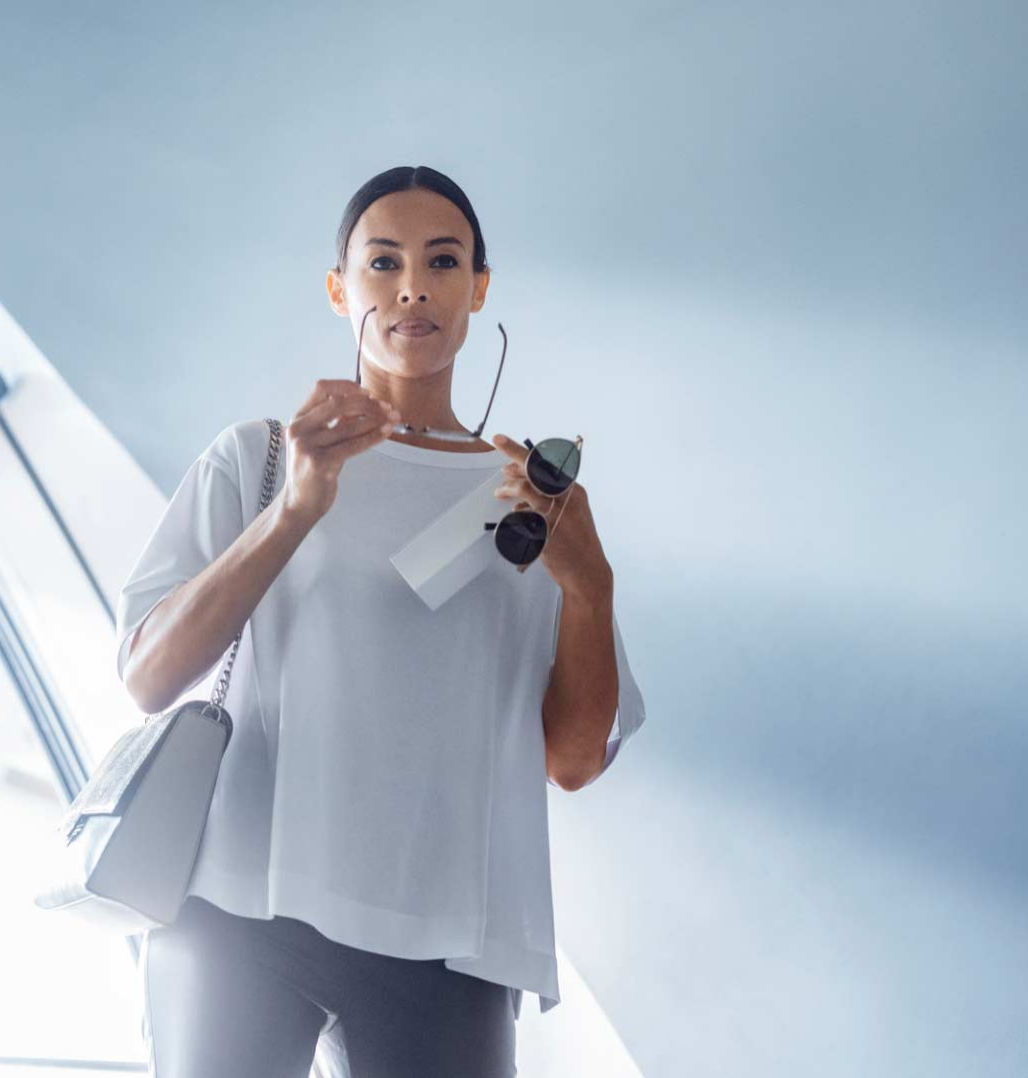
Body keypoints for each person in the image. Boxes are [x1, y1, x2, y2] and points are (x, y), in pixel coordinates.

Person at [114, 165, 648, 1077]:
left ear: (478, 288)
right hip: (245, 901)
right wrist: (294, 512)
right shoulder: (261, 458)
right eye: (382, 262)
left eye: (443, 261)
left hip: (450, 940)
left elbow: (570, 761)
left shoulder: (531, 501)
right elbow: (147, 675)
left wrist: (587, 586)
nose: (412, 286)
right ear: (339, 289)